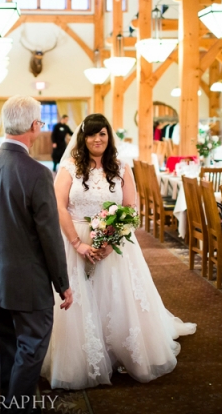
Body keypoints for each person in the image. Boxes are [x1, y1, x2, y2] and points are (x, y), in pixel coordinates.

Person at [41, 113, 196, 389]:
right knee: (80, 298)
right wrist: (78, 243)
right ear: (83, 137)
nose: (97, 139)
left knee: (117, 297)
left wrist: (111, 243)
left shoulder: (122, 167)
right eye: (91, 134)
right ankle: (82, 358)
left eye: (102, 134)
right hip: (75, 239)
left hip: (116, 242)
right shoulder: (69, 167)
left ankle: (119, 351)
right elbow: (59, 206)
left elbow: (131, 209)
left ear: (109, 137)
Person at [0, 96, 73, 414]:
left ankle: (18, 409)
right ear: (34, 126)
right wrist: (62, 284)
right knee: (31, 349)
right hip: (27, 282)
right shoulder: (37, 173)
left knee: (10, 348)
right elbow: (49, 236)